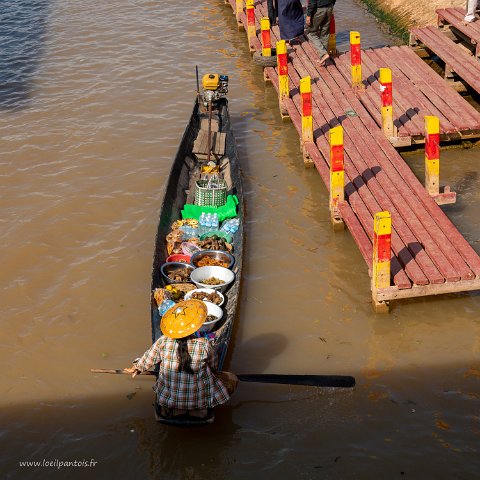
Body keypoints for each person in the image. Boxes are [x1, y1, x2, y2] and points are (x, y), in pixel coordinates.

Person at [125, 299, 237, 418]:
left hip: (169, 401)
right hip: (198, 401)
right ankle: (199, 411)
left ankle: (173, 410)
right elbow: (214, 366)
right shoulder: (204, 344)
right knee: (232, 378)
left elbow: (145, 361)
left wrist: (136, 367)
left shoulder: (163, 341)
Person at [305, 0, 336, 65]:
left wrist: (309, 15)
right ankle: (323, 58)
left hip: (319, 9)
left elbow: (313, 2)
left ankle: (323, 53)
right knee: (325, 33)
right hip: (329, 7)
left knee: (311, 33)